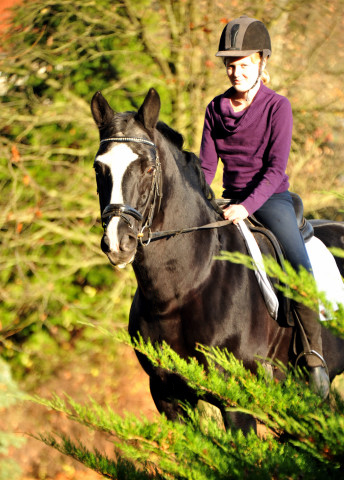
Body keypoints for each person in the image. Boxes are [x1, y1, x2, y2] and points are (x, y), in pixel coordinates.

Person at [199, 15, 330, 399]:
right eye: (230, 65)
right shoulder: (214, 109)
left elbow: (276, 171)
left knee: (298, 265)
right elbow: (207, 168)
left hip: (270, 199)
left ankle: (313, 357)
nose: (235, 72)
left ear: (261, 63)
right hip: (230, 199)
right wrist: (199, 197)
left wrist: (246, 206)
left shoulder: (278, 107)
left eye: (243, 64)